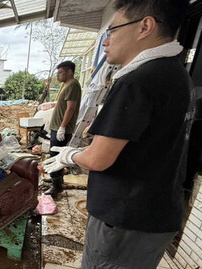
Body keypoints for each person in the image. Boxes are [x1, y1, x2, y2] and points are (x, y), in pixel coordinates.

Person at [43, 0, 191, 268]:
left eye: (112, 31)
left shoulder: (137, 80)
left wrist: (71, 155)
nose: (105, 42)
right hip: (151, 214)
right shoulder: (174, 73)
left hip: (124, 219)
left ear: (145, 26)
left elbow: (99, 159)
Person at [44, 60, 82, 196]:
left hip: (62, 129)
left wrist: (62, 127)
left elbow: (70, 108)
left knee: (56, 156)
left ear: (69, 72)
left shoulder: (73, 85)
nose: (58, 75)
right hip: (57, 127)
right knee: (55, 155)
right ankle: (56, 179)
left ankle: (57, 187)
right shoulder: (67, 85)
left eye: (60, 72)